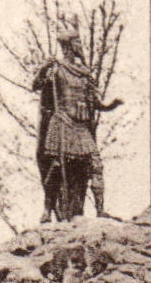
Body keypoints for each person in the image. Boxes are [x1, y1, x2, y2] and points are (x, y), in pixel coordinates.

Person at [33, 24, 121, 222]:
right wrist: (44, 68)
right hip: (62, 123)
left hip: (81, 127)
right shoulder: (57, 69)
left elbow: (95, 103)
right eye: (77, 42)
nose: (80, 46)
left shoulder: (84, 73)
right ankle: (47, 211)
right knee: (57, 166)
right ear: (69, 46)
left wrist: (110, 106)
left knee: (96, 165)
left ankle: (100, 210)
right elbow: (35, 85)